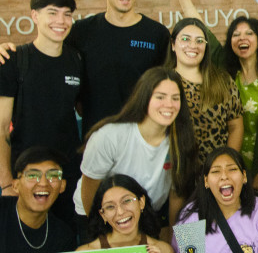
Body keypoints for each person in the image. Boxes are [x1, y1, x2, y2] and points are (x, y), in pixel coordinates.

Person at [0, 0, 169, 136]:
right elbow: (50, 50)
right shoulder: (81, 31)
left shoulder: (157, 34)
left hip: (144, 135)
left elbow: (168, 83)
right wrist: (8, 50)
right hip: (95, 135)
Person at [170, 0, 258, 207]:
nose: (242, 38)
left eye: (249, 34)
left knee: (253, 230)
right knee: (191, 224)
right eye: (236, 34)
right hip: (216, 176)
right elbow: (198, 28)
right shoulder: (223, 74)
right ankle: (184, 248)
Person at [0, 0, 82, 225]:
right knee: (26, 246)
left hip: (66, 177)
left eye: (67, 14)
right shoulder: (12, 60)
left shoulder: (76, 60)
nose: (60, 21)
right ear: (34, 16)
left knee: (65, 244)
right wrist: (7, 183)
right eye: (52, 13)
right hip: (27, 175)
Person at [74, 67, 197, 229]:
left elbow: (177, 194)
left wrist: (175, 241)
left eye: (176, 98)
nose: (169, 105)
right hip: (99, 216)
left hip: (145, 216)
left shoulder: (180, 140)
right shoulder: (109, 136)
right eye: (160, 97)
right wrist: (105, 231)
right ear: (144, 98)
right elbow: (89, 191)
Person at [165, 17, 243, 167]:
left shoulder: (223, 81)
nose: (193, 45)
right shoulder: (161, 82)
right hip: (173, 173)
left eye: (200, 41)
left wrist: (226, 164)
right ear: (173, 44)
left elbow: (235, 126)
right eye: (185, 39)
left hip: (215, 172)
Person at [0, 146, 75, 253]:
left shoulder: (62, 236)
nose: (43, 183)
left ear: (62, 186)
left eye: (53, 176)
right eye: (33, 175)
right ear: (15, 185)